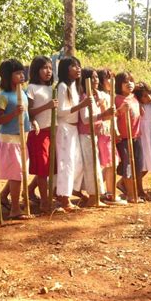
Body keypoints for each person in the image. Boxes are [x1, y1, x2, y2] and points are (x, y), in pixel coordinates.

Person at [0, 59, 33, 219]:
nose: (22, 75)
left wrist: (33, 123)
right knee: (17, 174)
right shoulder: (3, 96)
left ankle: (4, 196)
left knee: (18, 172)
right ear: (8, 76)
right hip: (9, 140)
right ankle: (15, 209)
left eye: (22, 72)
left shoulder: (22, 92)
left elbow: (26, 115)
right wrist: (13, 114)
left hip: (21, 139)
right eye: (17, 73)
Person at [55, 57, 92, 211]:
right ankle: (64, 199)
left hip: (73, 129)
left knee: (76, 163)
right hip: (64, 128)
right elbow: (61, 112)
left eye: (79, 66)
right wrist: (81, 106)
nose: (78, 69)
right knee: (66, 164)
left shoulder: (74, 87)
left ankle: (66, 192)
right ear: (65, 69)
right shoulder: (63, 87)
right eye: (73, 66)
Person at [26, 56, 58, 213]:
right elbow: (29, 111)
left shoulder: (52, 88)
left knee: (47, 167)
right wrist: (47, 106)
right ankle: (45, 202)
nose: (48, 72)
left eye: (50, 68)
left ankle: (30, 190)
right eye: (44, 68)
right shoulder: (31, 88)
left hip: (52, 131)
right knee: (42, 168)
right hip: (38, 132)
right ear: (36, 70)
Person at [79, 68, 114, 206]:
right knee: (91, 166)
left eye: (96, 77)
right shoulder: (84, 97)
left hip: (95, 135)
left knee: (96, 166)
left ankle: (96, 196)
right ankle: (94, 197)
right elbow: (86, 119)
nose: (95, 80)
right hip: (86, 135)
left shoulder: (96, 96)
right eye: (92, 78)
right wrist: (103, 115)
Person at [114, 72, 144, 202]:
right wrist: (120, 110)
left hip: (136, 136)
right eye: (126, 82)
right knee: (128, 167)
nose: (129, 84)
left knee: (137, 165)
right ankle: (132, 195)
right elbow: (112, 116)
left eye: (131, 81)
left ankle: (131, 191)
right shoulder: (116, 99)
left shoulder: (134, 97)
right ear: (119, 85)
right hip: (124, 138)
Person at [96, 68, 119, 202]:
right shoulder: (101, 95)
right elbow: (105, 115)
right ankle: (110, 193)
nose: (112, 81)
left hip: (109, 131)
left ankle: (104, 190)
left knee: (110, 163)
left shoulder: (109, 95)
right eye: (108, 78)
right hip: (104, 132)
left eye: (112, 78)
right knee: (110, 163)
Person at [133, 82, 151, 198]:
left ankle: (125, 183)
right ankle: (139, 189)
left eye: (149, 94)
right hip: (142, 135)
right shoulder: (137, 104)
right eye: (145, 96)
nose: (149, 98)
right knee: (142, 164)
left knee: (149, 163)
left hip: (149, 135)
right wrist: (138, 102)